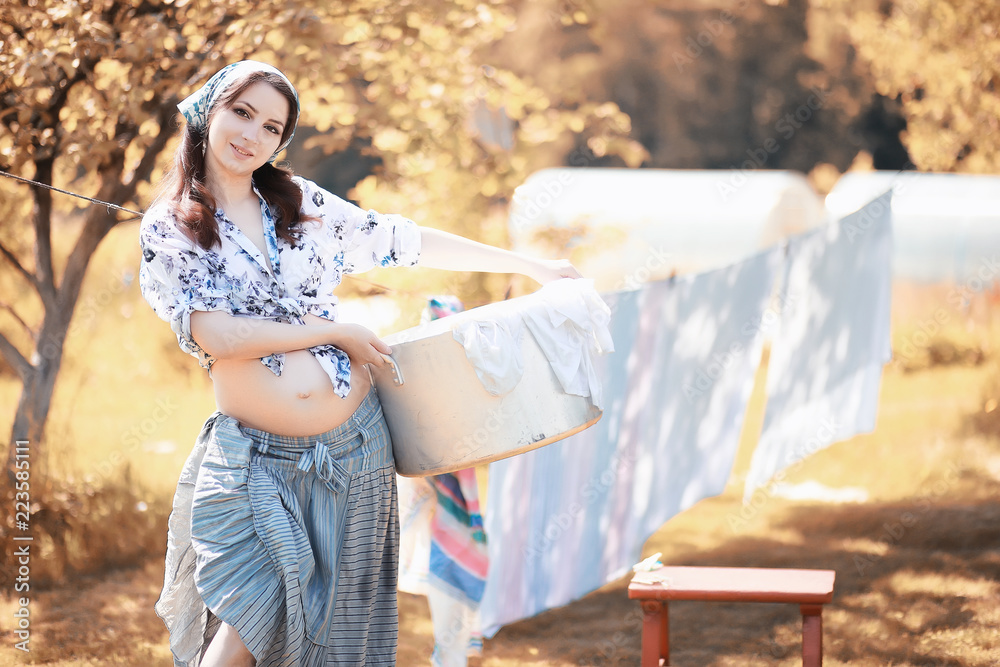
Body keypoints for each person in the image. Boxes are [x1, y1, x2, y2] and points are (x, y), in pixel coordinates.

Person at [139, 60, 579, 667]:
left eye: (271, 127)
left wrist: (528, 266)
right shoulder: (171, 227)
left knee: (343, 632)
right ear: (208, 112)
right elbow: (215, 335)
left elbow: (405, 239)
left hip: (356, 449)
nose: (252, 135)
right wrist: (336, 332)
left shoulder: (300, 206)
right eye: (241, 113)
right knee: (253, 608)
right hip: (259, 458)